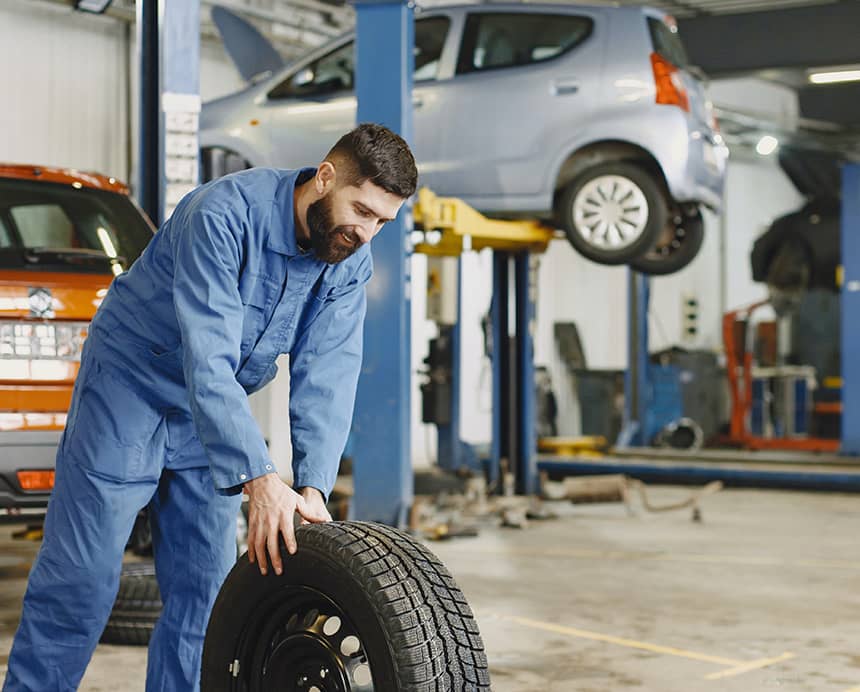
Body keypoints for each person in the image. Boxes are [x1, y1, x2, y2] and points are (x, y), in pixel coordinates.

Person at [3, 123, 418, 691]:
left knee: (207, 592)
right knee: (82, 580)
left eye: (382, 222)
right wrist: (260, 479)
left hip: (214, 417)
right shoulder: (222, 215)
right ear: (325, 178)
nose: (366, 233)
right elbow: (208, 357)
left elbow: (329, 373)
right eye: (361, 211)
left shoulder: (348, 258)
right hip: (130, 391)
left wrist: (312, 488)